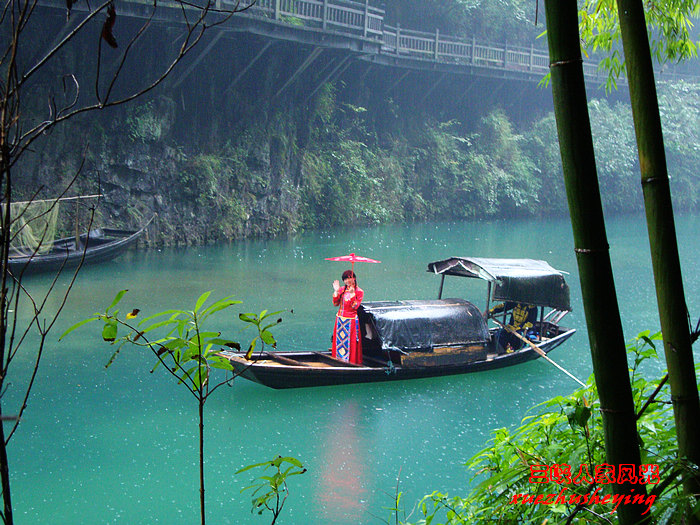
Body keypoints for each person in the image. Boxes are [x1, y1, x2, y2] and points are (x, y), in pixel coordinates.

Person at [331, 270, 364, 364]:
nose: (348, 280)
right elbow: (335, 303)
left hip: (351, 320)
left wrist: (353, 294)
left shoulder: (359, 291)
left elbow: (355, 306)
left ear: (354, 278)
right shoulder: (342, 289)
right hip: (340, 319)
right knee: (339, 341)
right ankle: (338, 360)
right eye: (345, 278)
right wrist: (336, 291)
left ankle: (351, 361)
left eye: (350, 277)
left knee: (351, 342)